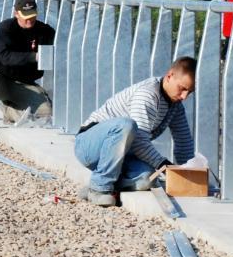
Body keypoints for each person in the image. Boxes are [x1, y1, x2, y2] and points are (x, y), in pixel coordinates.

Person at [74, 56, 196, 207]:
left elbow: (183, 141)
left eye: (190, 92)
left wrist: (190, 174)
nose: (184, 96)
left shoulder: (175, 105)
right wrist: (166, 166)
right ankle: (99, 188)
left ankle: (96, 186)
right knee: (127, 125)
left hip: (121, 154)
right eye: (183, 88)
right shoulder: (148, 94)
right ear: (170, 76)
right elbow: (139, 141)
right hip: (89, 145)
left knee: (148, 179)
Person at [0, 0, 55, 144]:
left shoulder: (46, 31)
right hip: (2, 80)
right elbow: (6, 57)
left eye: (32, 16)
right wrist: (34, 56)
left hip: (26, 84)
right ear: (16, 13)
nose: (29, 20)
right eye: (25, 16)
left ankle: (10, 110)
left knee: (46, 113)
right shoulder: (6, 28)